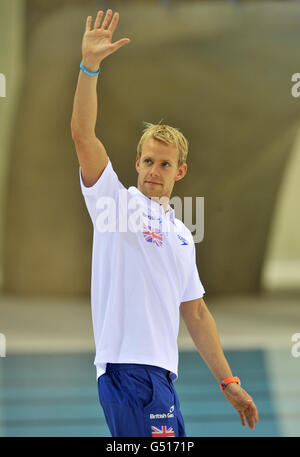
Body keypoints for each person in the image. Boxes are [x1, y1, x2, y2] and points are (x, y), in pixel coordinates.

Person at [71, 9, 259, 437]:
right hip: (127, 373)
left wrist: (229, 382)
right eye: (148, 161)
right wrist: (89, 67)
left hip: (162, 380)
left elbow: (195, 311)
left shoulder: (181, 235)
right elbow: (83, 134)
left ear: (180, 172)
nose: (154, 170)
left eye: (165, 163)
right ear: (136, 163)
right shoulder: (115, 205)